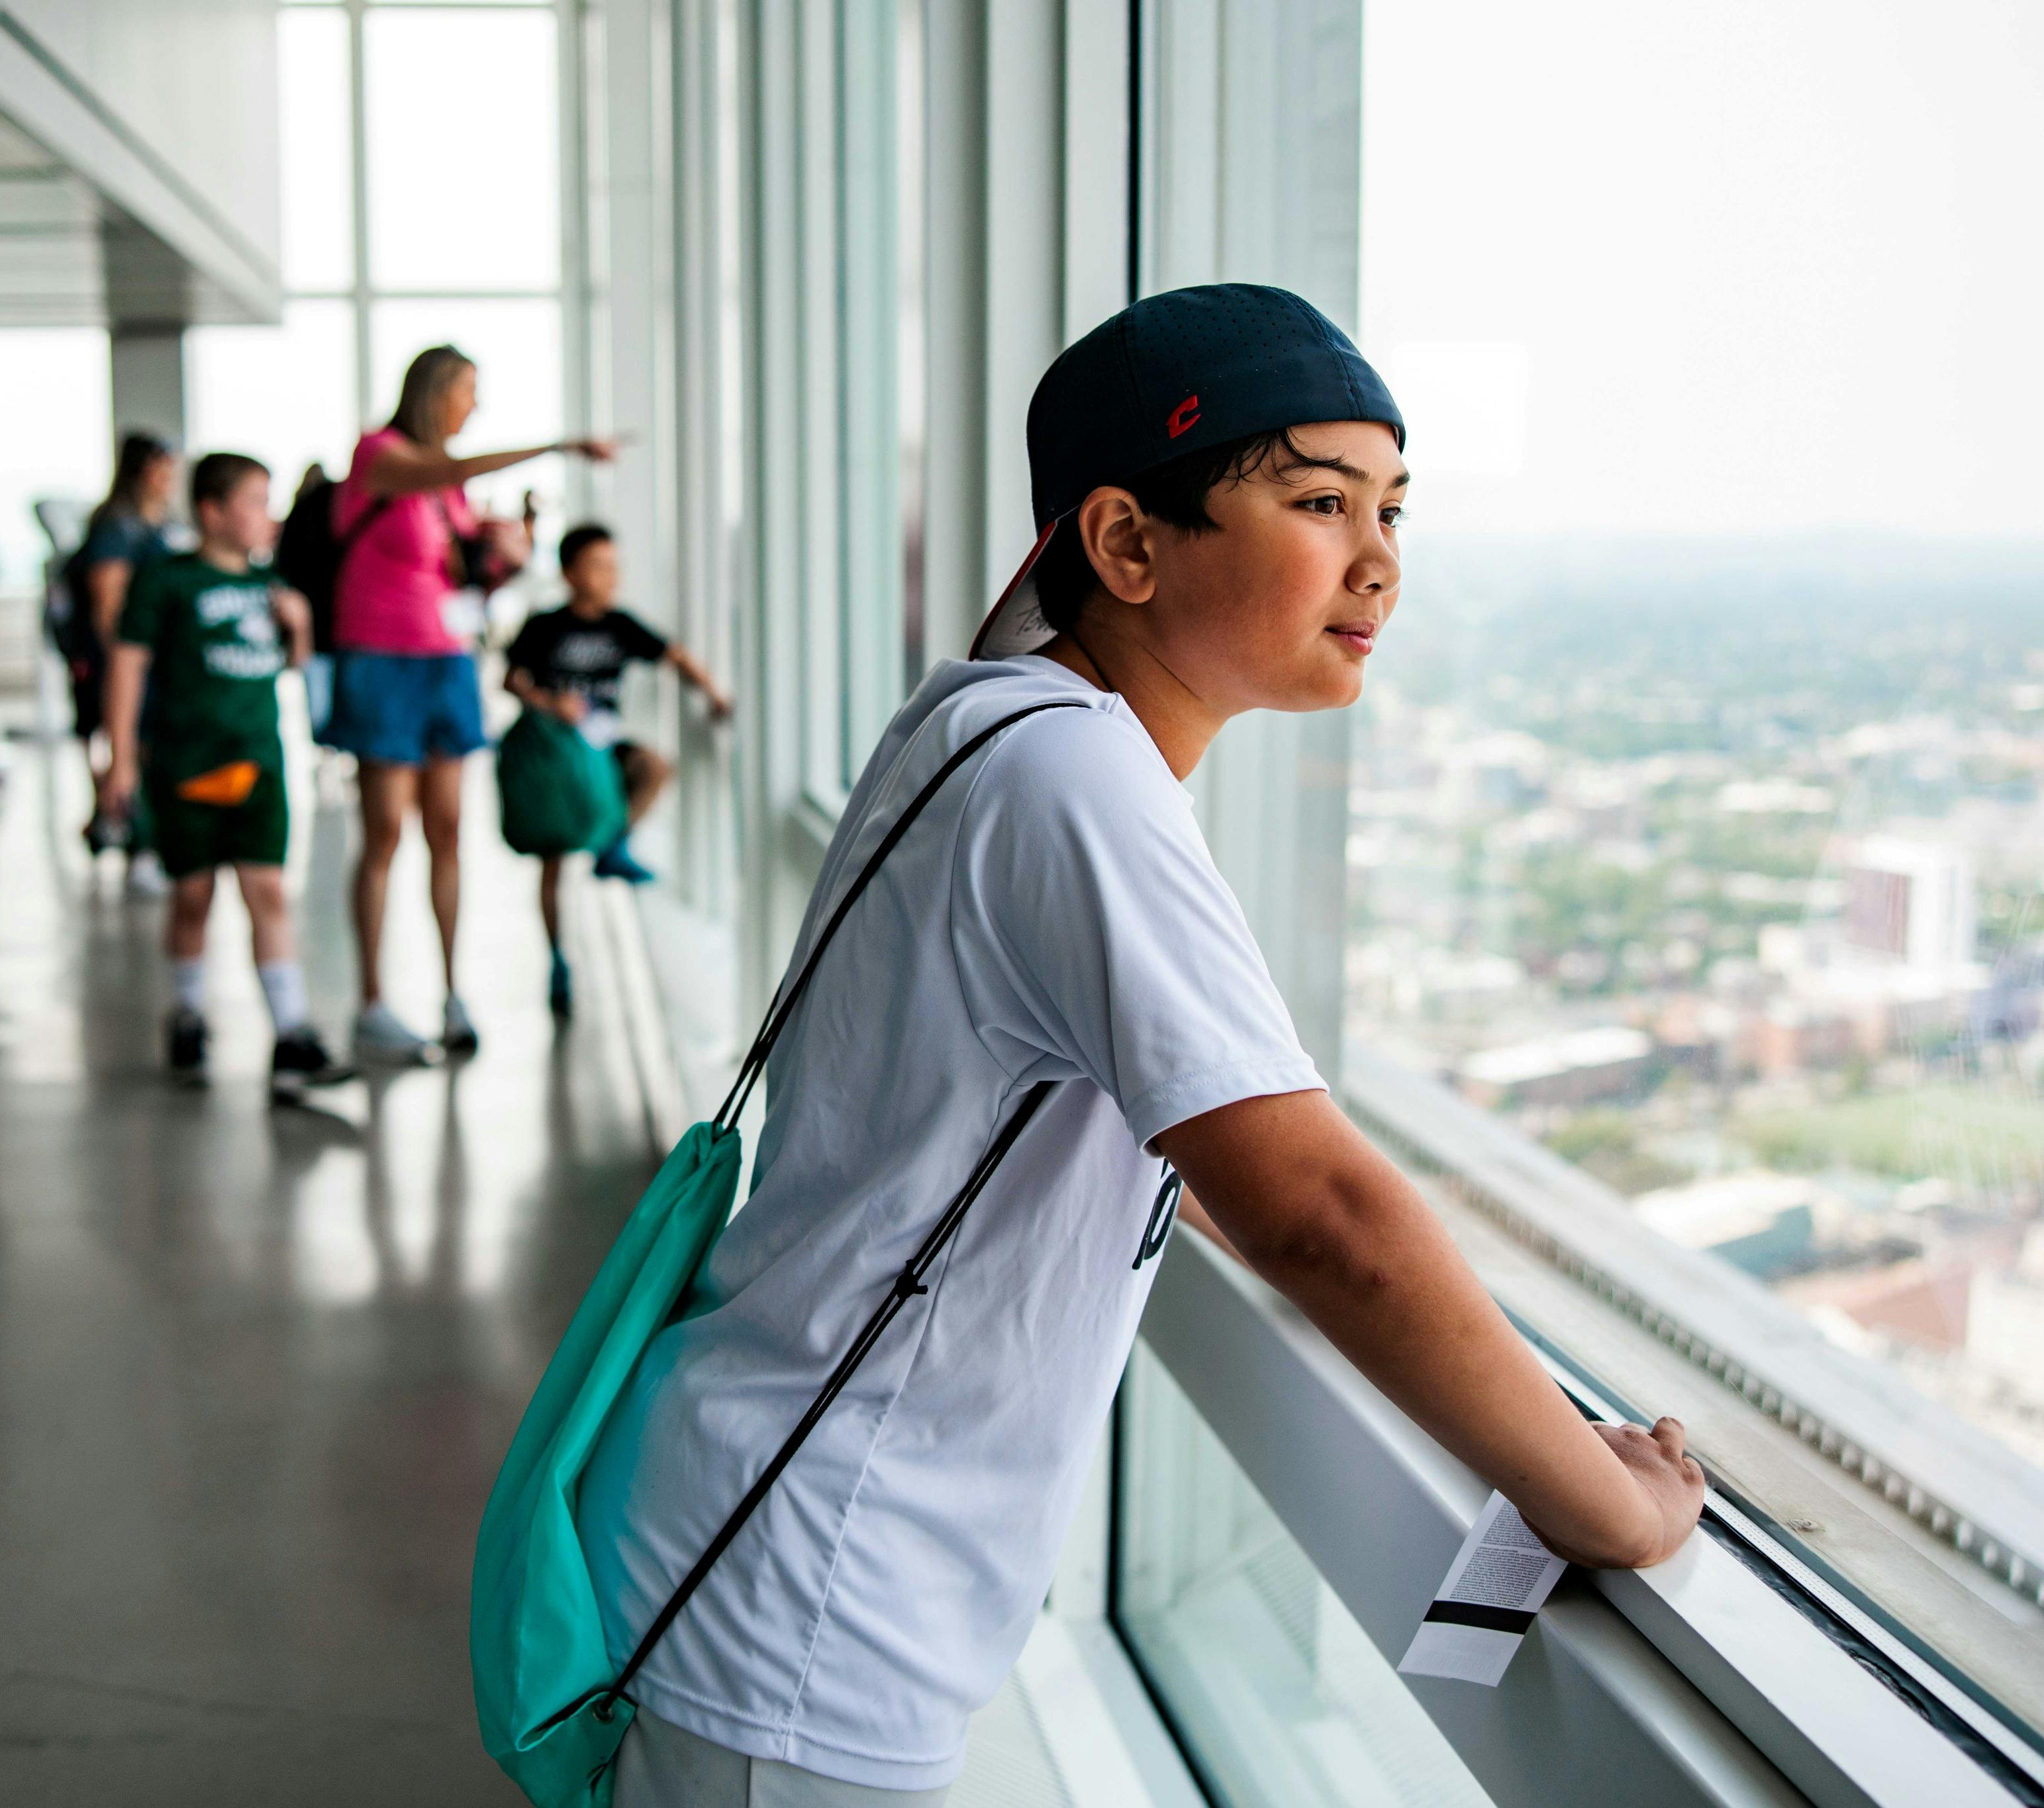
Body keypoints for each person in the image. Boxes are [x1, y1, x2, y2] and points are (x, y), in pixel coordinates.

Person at [574, 286, 1703, 1807]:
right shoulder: (1078, 787)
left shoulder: (977, 723)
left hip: (749, 1533)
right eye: (1317, 501)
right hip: (809, 1612)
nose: (1378, 560)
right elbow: (1322, 1217)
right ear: (1123, 544)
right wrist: (1606, 1500)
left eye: (1394, 509)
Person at [324, 344, 617, 1063]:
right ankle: (371, 1000)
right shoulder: (381, 455)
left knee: (447, 829)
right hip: (382, 659)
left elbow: (455, 573)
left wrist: (498, 554)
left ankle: (451, 993)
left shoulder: (446, 493)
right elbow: (445, 468)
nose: (473, 407)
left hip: (445, 662)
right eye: (466, 392)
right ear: (434, 392)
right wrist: (556, 446)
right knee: (385, 832)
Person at [100, 453, 358, 1103]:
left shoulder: (270, 584)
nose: (266, 517)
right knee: (193, 898)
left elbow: (289, 665)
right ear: (212, 511)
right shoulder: (167, 581)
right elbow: (128, 667)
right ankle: (187, 1011)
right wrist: (122, 759)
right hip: (187, 764)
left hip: (262, 760)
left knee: (267, 891)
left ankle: (292, 1033)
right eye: (253, 501)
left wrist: (298, 628)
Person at [503, 524, 732, 1013]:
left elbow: (674, 657)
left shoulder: (621, 625)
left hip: (603, 746)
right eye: (598, 566)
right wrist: (549, 703)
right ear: (569, 573)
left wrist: (714, 695)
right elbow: (511, 679)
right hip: (554, 754)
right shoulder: (544, 626)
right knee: (553, 859)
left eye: (614, 566)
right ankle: (558, 960)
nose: (609, 577)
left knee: (653, 767)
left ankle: (612, 842)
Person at [64, 431, 179, 883]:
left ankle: (139, 834)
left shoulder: (160, 521)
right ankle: (137, 839)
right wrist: (126, 664)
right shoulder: (117, 525)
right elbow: (108, 606)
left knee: (151, 747)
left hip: (157, 661)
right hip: (126, 662)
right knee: (129, 746)